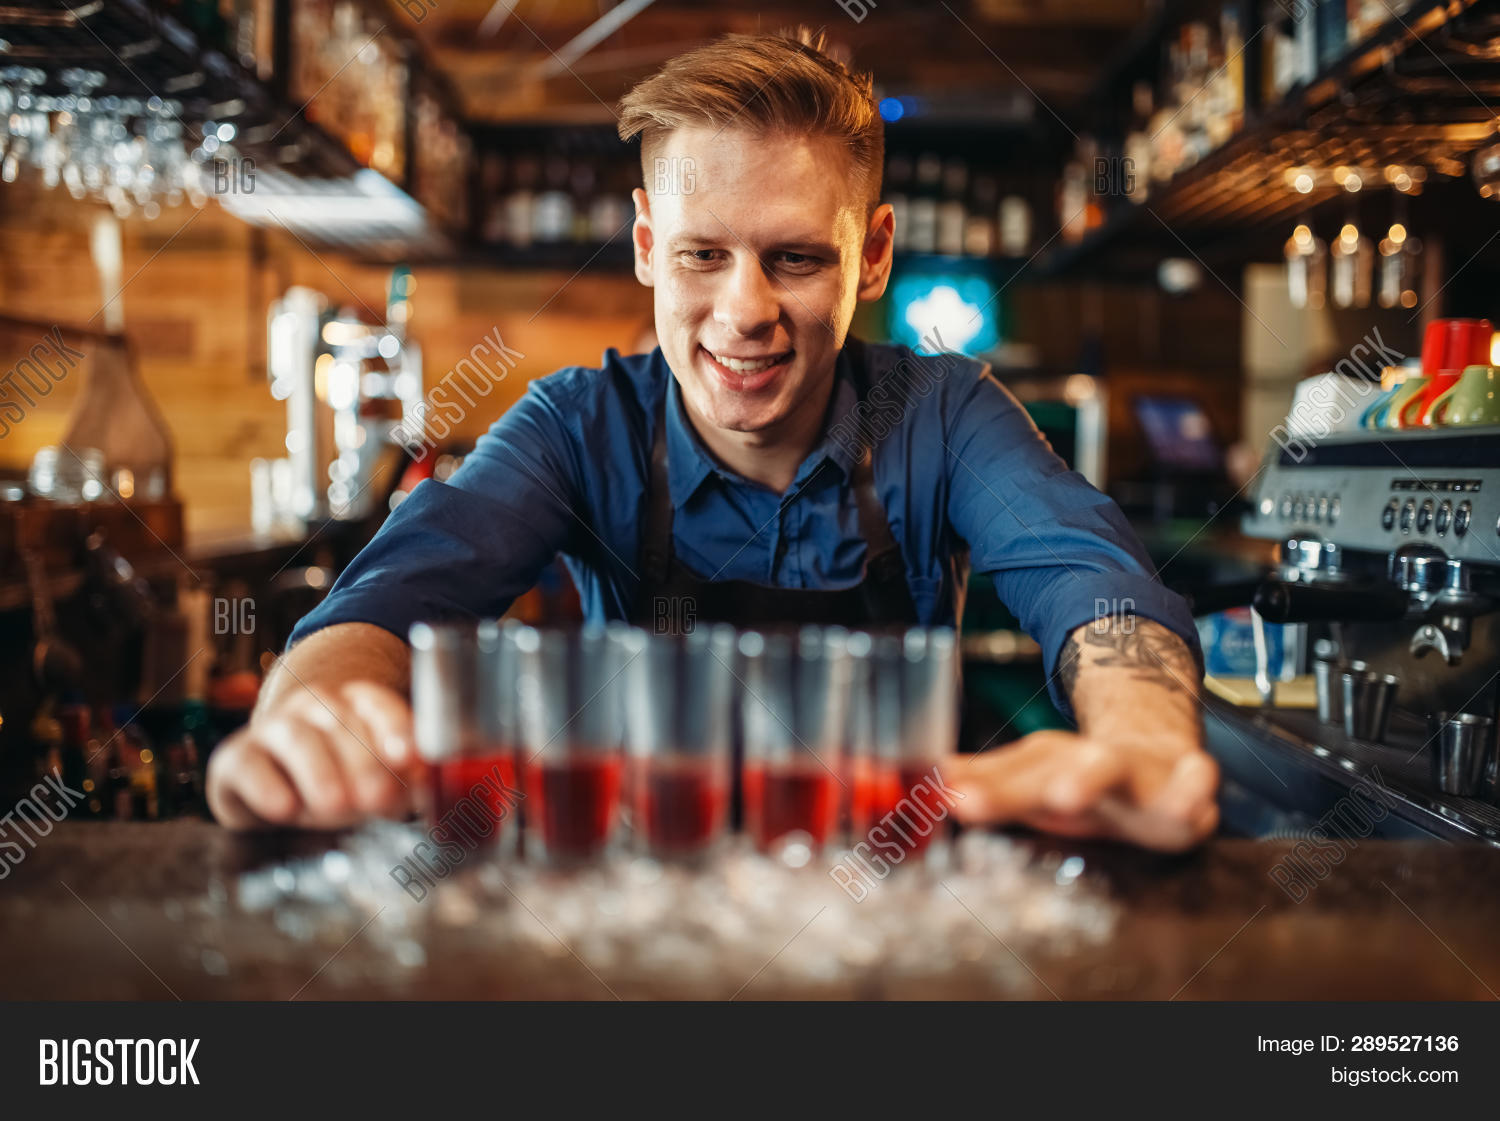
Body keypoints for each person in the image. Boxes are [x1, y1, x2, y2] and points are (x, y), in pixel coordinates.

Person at [208, 29, 1218, 852]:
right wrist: (313, 723)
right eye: (702, 254)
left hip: (893, 909)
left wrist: (1142, 740)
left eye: (795, 258)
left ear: (872, 255)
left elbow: (1099, 589)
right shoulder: (578, 426)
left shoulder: (945, 414)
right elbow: (382, 606)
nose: (744, 312)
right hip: (644, 913)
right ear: (648, 247)